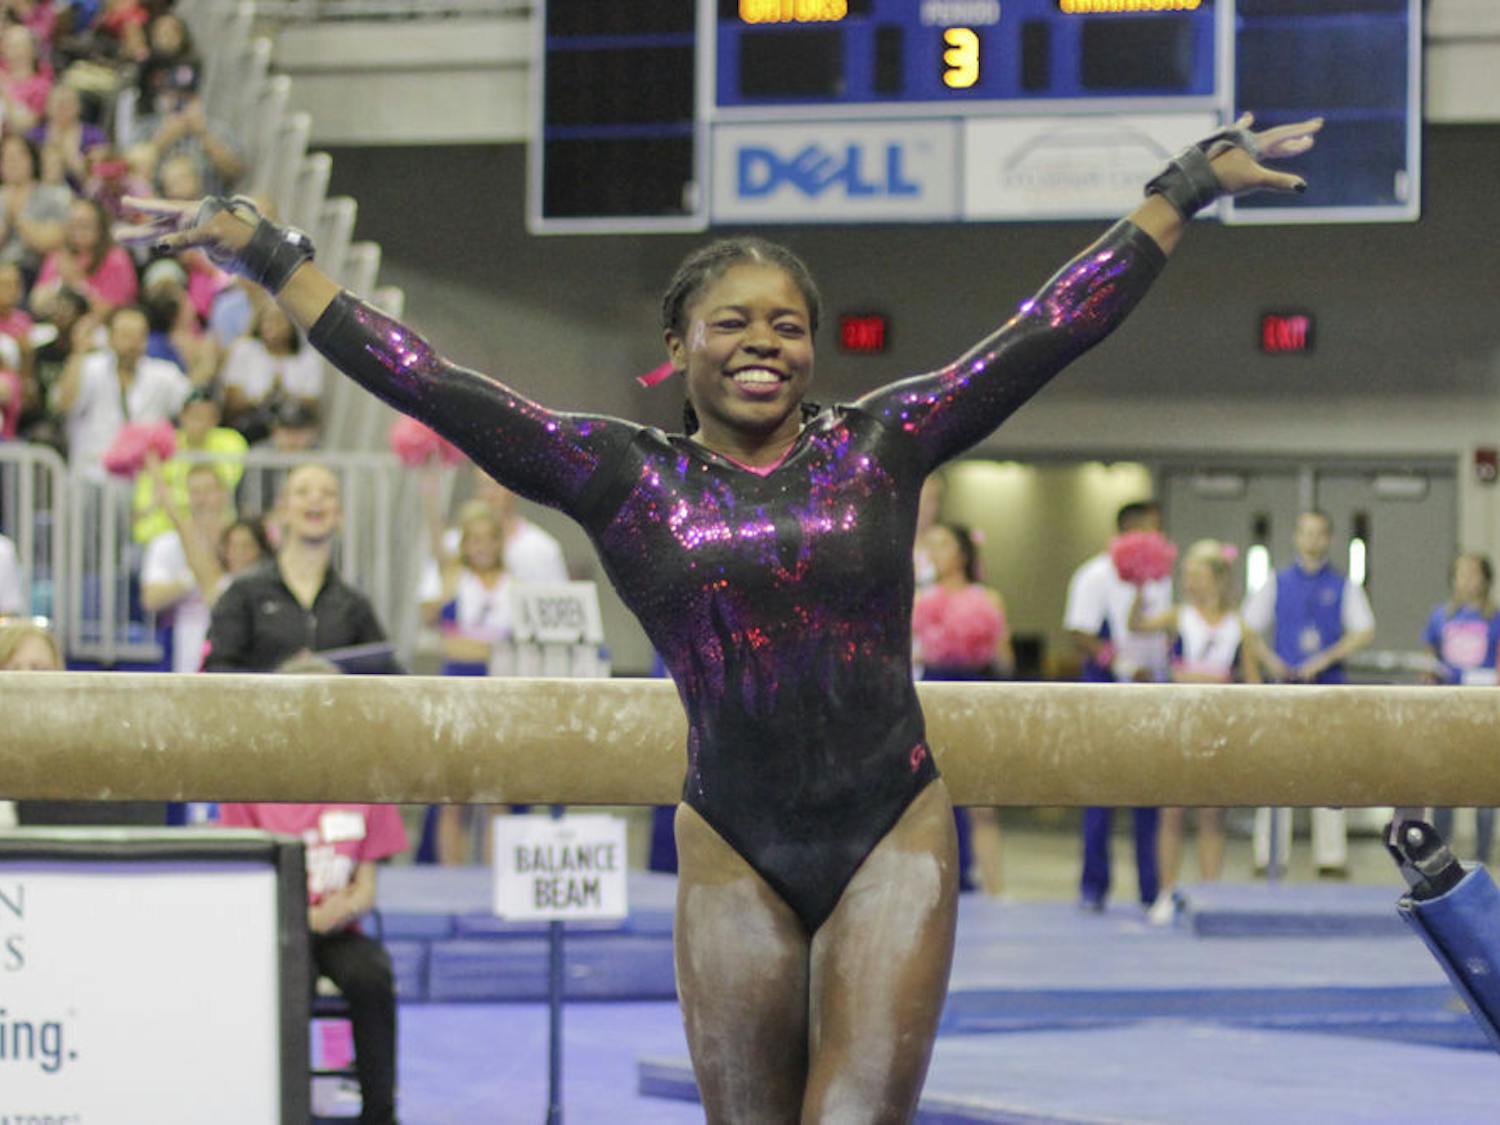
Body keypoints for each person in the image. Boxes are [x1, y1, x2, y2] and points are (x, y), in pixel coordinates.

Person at [125, 112, 1319, 1120]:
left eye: (788, 325)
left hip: (888, 827)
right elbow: (426, 379)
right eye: (733, 324)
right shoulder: (618, 473)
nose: (764, 345)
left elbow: (1048, 329)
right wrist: (276, 258)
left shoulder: (885, 441)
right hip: (731, 842)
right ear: (677, 346)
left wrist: (1184, 187)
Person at [217, 653, 407, 1125]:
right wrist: (302, 919)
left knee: (371, 977)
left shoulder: (364, 778)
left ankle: (380, 1113)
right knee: (287, 983)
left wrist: (339, 911)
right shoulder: (252, 781)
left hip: (340, 927)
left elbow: (367, 887)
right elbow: (246, 880)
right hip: (278, 930)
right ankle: (285, 1108)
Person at [1130, 538, 1259, 923]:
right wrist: (1140, 587)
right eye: (1185, 575)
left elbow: (1253, 685)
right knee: (1172, 812)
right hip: (1179, 721)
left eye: (1197, 575)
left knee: (1211, 815)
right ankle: (1167, 892)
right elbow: (1135, 625)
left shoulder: (1240, 627)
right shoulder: (1178, 616)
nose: (1190, 582)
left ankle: (1209, 892)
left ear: (1218, 579)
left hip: (1217, 724)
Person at [1243, 509, 1376, 875]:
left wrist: (1325, 658)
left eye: (1319, 534)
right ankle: (1268, 854)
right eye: (1306, 533)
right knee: (1276, 772)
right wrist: (1270, 661)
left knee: (1329, 775)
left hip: (1328, 690)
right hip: (1284, 689)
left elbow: (1365, 630)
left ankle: (1331, 857)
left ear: (1329, 539)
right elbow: (1247, 626)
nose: (1312, 540)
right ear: (1296, 537)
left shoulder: (1343, 585)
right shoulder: (1276, 581)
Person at [1063, 499, 1171, 912]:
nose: (1157, 538)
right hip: (1106, 685)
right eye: (1150, 529)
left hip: (1151, 688)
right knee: (1100, 792)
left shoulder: (1161, 579)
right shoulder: (1094, 574)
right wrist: (1121, 663)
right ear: (1127, 531)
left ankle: (1150, 889)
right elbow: (1079, 633)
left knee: (1149, 793)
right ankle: (1094, 887)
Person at [204, 462, 401, 674]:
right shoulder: (243, 594)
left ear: (340, 514)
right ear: (282, 510)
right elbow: (218, 670)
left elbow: (388, 677)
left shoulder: (353, 604)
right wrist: (280, 680)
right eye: (302, 491)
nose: (315, 498)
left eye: (327, 493)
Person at [913, 522, 1013, 896]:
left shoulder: (987, 598)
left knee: (982, 803)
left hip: (975, 692)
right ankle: (935, 892)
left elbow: (1005, 658)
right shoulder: (920, 598)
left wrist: (980, 647)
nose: (934, 553)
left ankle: (997, 891)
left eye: (942, 545)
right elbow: (909, 651)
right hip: (934, 689)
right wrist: (936, 648)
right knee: (932, 802)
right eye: (931, 546)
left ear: (962, 553)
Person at [1423, 552, 1500, 862]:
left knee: (1486, 784)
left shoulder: (1495, 617)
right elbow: (1428, 661)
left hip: (1484, 708)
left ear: (1485, 579)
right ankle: (1442, 852)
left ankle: (1483, 852)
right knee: (1446, 784)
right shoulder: (1441, 616)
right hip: (1448, 708)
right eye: (1460, 573)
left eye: (1473, 573)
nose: (1466, 579)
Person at [51, 303, 190, 472]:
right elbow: (64, 404)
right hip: (93, 472)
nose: (133, 343)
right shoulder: (88, 367)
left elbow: (194, 408)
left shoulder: (165, 374)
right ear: (109, 337)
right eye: (126, 335)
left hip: (145, 478)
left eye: (140, 336)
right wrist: (78, 352)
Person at [140, 461, 233, 673]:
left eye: (209, 491)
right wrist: (191, 579)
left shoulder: (241, 541)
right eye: (195, 492)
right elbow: (151, 599)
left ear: (224, 494)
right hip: (188, 634)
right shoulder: (166, 544)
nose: (203, 499)